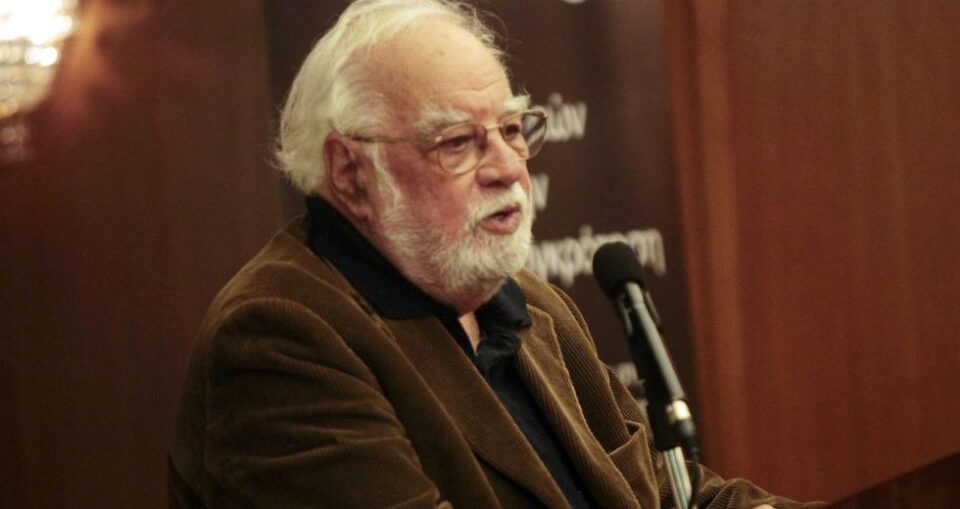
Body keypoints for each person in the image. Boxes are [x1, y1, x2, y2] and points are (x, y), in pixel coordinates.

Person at [169, 1, 825, 507]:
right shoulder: (279, 338)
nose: (509, 166)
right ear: (350, 173)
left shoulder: (530, 305)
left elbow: (663, 491)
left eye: (511, 129)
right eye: (458, 142)